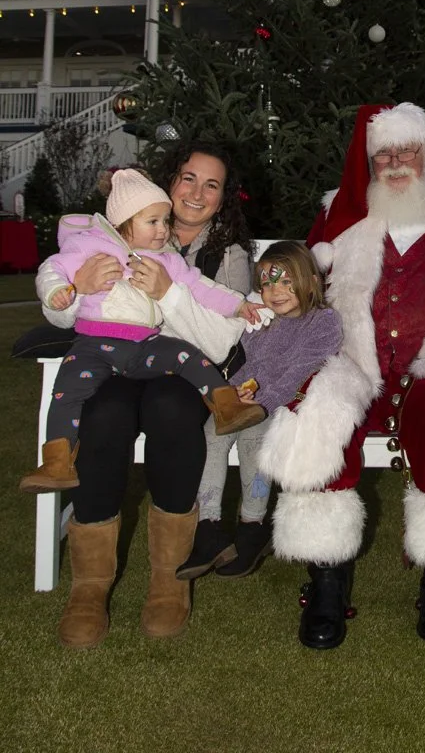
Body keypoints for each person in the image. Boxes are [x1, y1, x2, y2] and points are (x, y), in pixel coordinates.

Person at [258, 103, 425, 649]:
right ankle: (325, 578)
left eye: (407, 149)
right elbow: (296, 279)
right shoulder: (342, 212)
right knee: (319, 408)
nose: (396, 161)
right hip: (354, 358)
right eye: (384, 152)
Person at [28, 140, 258, 648]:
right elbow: (63, 307)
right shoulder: (107, 236)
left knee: (173, 412)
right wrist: (80, 288)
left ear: (224, 198)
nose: (197, 192)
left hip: (175, 373)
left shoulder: (231, 256)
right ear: (170, 182)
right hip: (106, 363)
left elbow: (222, 340)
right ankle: (89, 588)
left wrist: (167, 294)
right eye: (189, 178)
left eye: (212, 184)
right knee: (104, 418)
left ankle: (167, 581)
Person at [22, 169, 266, 494]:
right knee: (66, 392)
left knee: (187, 356)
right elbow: (52, 268)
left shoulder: (166, 260)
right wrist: (63, 290)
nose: (163, 230)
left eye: (165, 222)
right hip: (93, 344)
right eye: (153, 222)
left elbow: (200, 286)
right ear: (123, 224)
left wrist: (237, 306)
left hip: (142, 346)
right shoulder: (89, 247)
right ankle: (56, 461)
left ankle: (225, 405)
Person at [177, 241, 343, 581]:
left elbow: (302, 370)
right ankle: (208, 526)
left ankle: (253, 525)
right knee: (212, 435)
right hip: (246, 402)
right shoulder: (262, 322)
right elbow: (243, 362)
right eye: (267, 283)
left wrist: (263, 405)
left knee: (255, 441)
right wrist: (231, 391)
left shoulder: (323, 322)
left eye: (285, 282)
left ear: (311, 282)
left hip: (286, 405)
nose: (275, 291)